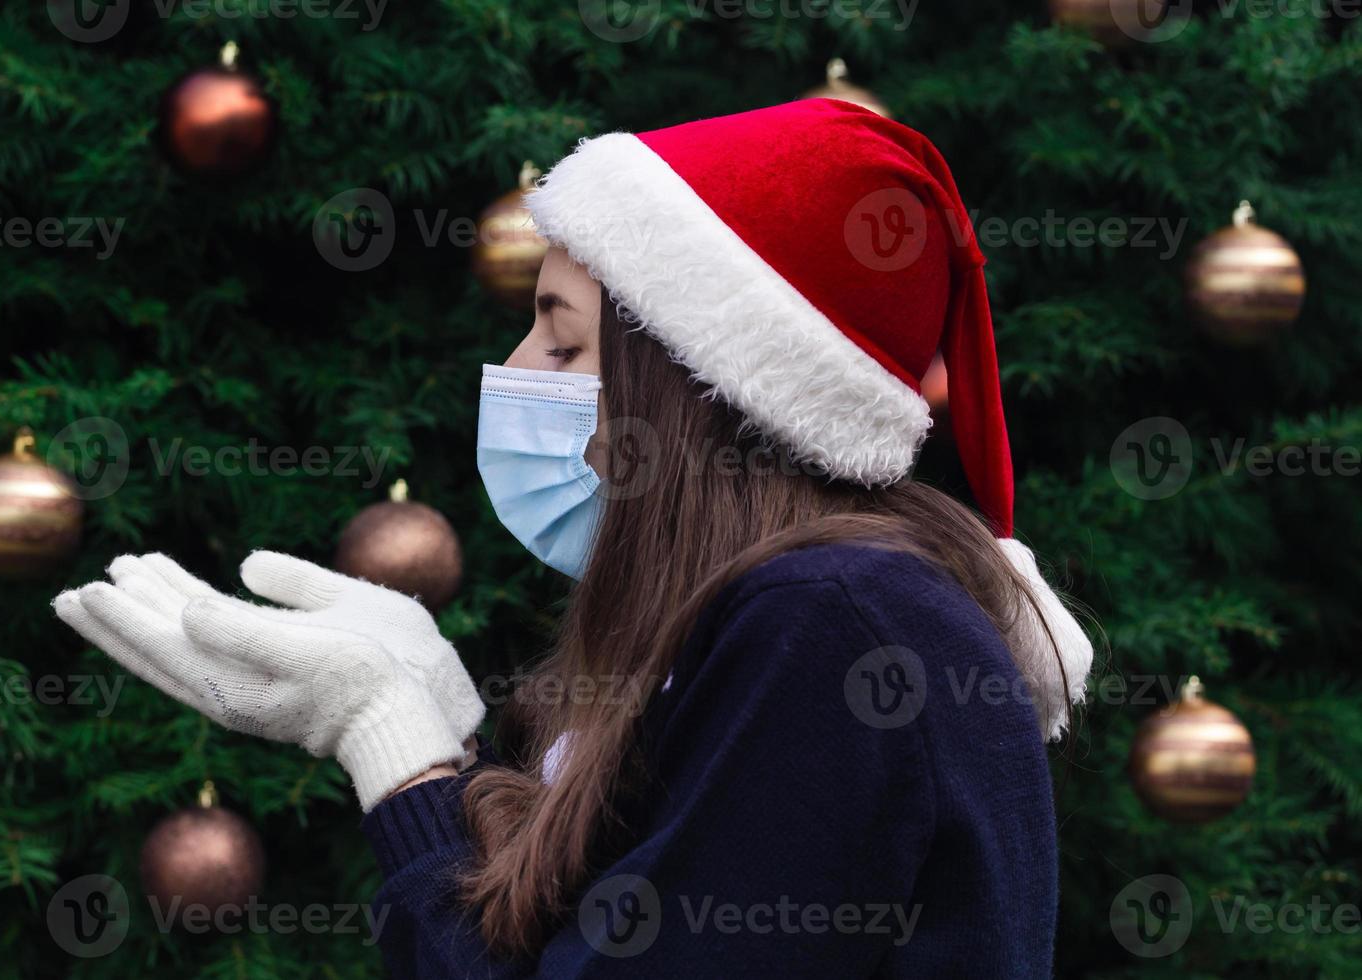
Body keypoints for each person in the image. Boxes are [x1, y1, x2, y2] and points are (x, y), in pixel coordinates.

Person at [54, 98, 1095, 977]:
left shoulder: (834, 625)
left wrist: (394, 744)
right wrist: (449, 740)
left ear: (698, 392)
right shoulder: (807, 614)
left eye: (563, 337)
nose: (516, 366)